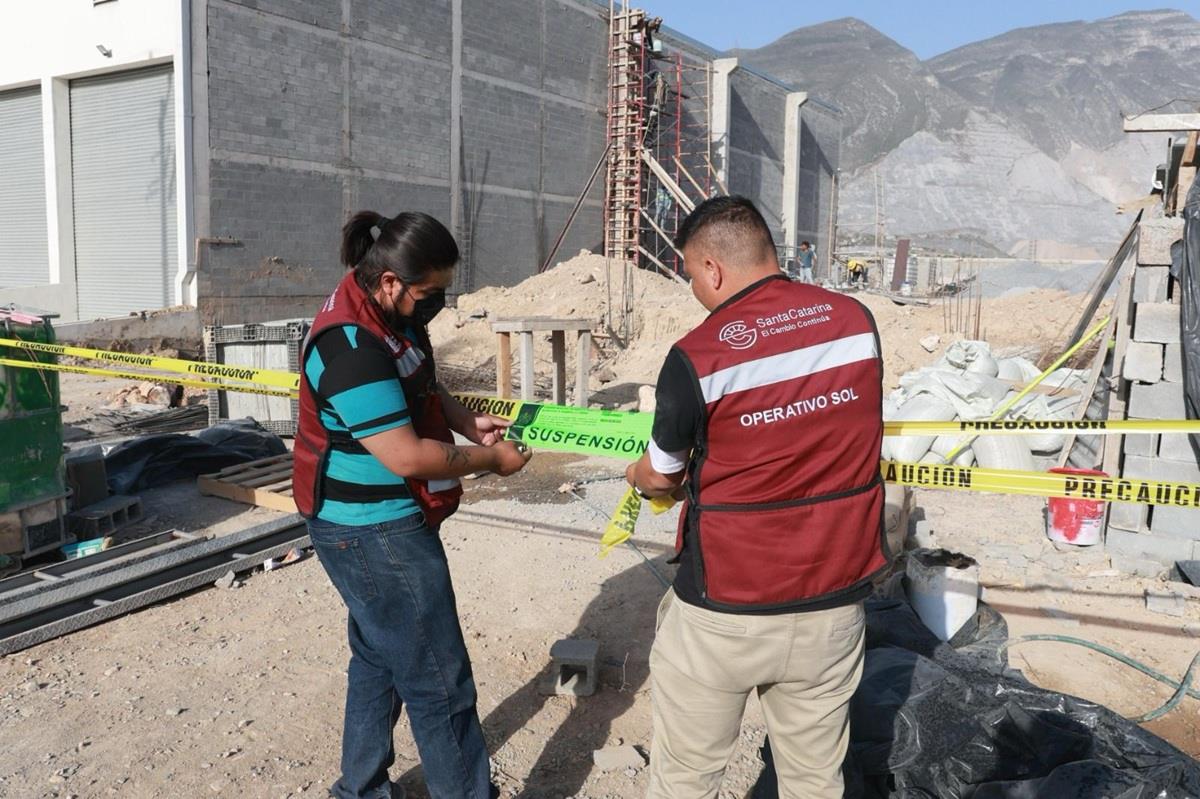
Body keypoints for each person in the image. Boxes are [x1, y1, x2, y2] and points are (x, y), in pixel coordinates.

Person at [625, 196, 889, 798]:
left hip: (727, 606)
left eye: (691, 276)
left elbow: (663, 476)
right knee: (815, 780)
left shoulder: (698, 355)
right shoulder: (855, 322)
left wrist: (637, 477)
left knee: (687, 779)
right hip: (834, 598)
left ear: (712, 268)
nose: (695, 289)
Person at [293, 210, 532, 799]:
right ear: (393, 281)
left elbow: (421, 381)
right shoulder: (349, 343)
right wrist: (493, 463)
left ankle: (360, 790)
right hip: (371, 531)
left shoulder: (385, 310)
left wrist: (466, 422)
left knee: (379, 659)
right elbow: (405, 456)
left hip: (377, 523)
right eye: (430, 293)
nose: (437, 305)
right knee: (438, 682)